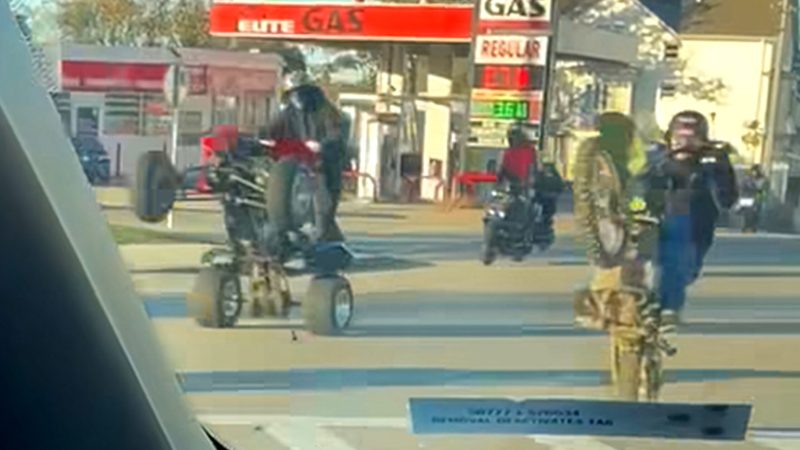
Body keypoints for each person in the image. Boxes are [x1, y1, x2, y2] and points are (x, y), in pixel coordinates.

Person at [639, 110, 738, 325]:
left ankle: (666, 300)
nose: (684, 143)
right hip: (658, 219)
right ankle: (662, 305)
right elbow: (634, 187)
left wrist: (716, 170)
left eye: (691, 138)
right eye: (679, 137)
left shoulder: (714, 160)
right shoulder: (656, 157)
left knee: (687, 270)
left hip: (698, 224)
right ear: (670, 137)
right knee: (667, 258)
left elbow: (728, 197)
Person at [266, 70, 350, 243]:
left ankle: (327, 239)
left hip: (324, 165)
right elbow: (271, 132)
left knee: (323, 205)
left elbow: (337, 133)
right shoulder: (288, 113)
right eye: (293, 93)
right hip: (295, 166)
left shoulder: (326, 110)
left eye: (301, 92)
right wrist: (262, 141)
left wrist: (323, 145)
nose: (297, 97)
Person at [496, 123, 562, 246]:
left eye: (514, 137)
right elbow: (500, 172)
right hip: (512, 187)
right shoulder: (506, 153)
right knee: (498, 205)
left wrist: (537, 180)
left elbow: (539, 169)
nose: (513, 140)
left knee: (540, 205)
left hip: (529, 187)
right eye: (511, 138)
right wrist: (499, 183)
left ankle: (538, 230)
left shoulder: (531, 152)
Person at [739, 164, 768, 233]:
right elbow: (742, 187)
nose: (755, 172)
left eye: (757, 170)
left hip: (757, 198)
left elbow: (763, 189)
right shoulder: (747, 179)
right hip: (747, 198)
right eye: (754, 171)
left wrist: (761, 194)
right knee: (747, 214)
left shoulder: (763, 179)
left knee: (756, 214)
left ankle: (753, 227)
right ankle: (746, 226)